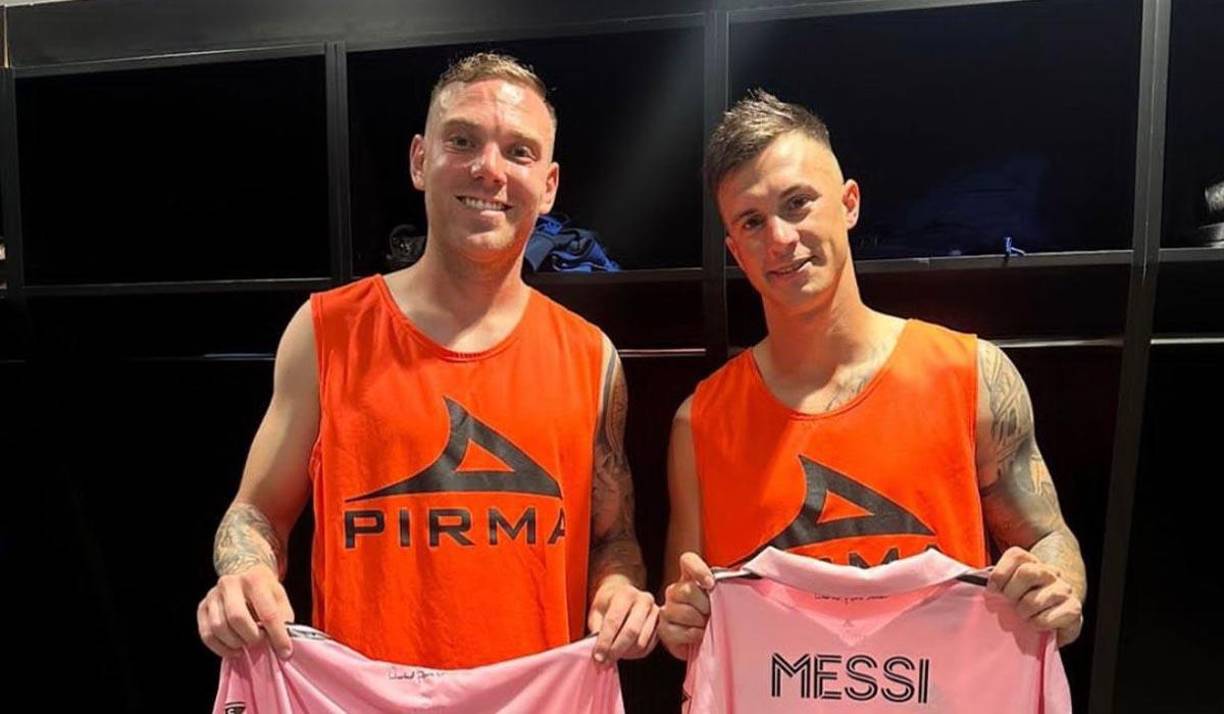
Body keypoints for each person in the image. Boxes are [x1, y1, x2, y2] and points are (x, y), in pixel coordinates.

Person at [197, 52, 657, 670]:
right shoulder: (326, 331)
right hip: (363, 701)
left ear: (549, 186)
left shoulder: (590, 356)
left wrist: (620, 592)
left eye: (519, 152)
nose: (489, 169)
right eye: (462, 141)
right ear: (420, 160)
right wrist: (244, 573)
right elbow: (255, 514)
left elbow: (614, 538)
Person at [658, 90, 1086, 658]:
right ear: (736, 251)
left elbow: (1048, 537)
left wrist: (1057, 590)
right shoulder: (701, 422)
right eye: (753, 221)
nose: (780, 239)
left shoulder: (971, 374)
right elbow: (683, 611)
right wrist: (679, 622)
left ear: (849, 204)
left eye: (798, 203)